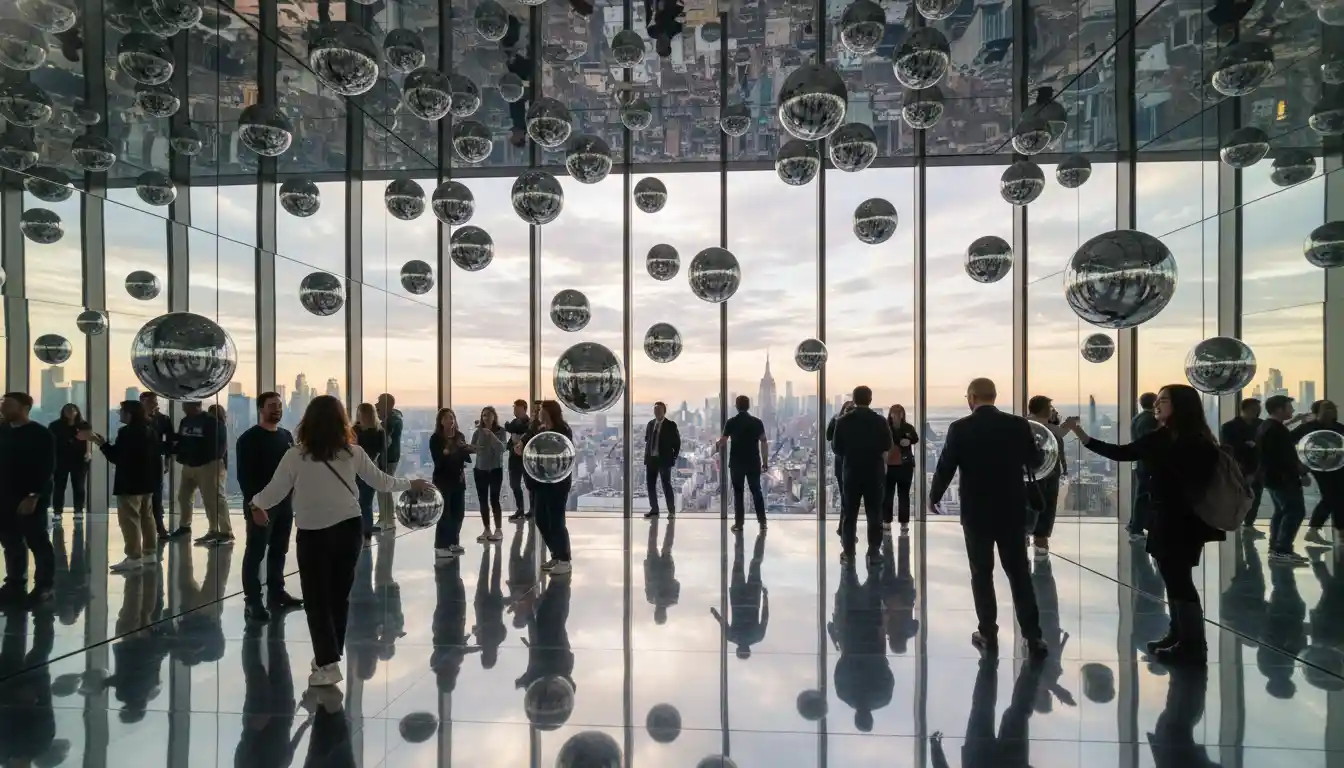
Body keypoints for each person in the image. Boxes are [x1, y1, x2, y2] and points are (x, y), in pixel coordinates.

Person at [248, 395, 432, 688]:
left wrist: (255, 505)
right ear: (341, 422)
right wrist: (412, 483)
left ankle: (328, 662)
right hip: (349, 531)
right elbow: (382, 481)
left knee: (316, 601)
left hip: (312, 534)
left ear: (308, 421)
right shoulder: (352, 453)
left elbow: (274, 492)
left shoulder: (296, 455)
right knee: (338, 598)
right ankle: (329, 657)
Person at [1064, 384, 1225, 664]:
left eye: (1164, 400)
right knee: (1174, 579)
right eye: (1158, 400)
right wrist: (1082, 436)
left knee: (1178, 581)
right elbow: (1123, 453)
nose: (1157, 405)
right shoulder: (1182, 437)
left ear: (1181, 406)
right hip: (1172, 518)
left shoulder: (1178, 440)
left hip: (1178, 520)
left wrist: (1082, 436)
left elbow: (1124, 454)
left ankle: (1191, 644)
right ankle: (1180, 636)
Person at [928, 378, 1047, 657]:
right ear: (994, 396)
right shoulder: (1018, 425)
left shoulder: (960, 428)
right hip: (1012, 510)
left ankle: (988, 633)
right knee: (1019, 574)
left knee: (982, 574)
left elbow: (946, 465)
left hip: (976, 512)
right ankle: (1033, 638)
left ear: (971, 397)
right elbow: (1035, 461)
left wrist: (934, 496)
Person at [236, 391, 303, 624]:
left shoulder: (285, 436)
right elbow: (245, 478)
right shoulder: (248, 439)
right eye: (272, 405)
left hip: (284, 505)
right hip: (260, 506)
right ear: (261, 409)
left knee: (279, 550)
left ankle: (277, 593)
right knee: (255, 553)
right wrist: (255, 507)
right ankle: (253, 601)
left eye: (279, 405)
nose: (277, 409)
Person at [81, 401, 159, 574]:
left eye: (121, 412)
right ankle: (150, 553)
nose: (119, 415)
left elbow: (117, 457)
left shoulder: (126, 433)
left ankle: (133, 557)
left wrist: (99, 442)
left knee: (130, 520)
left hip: (130, 482)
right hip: (147, 482)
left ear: (129, 414)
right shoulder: (150, 431)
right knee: (147, 518)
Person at [0, 392, 56, 606]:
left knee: (37, 541)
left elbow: (47, 468)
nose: (3, 408)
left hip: (31, 498)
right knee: (10, 541)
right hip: (5, 497)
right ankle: (15, 582)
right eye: (2, 403)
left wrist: (34, 495)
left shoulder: (40, 434)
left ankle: (45, 586)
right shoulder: (3, 431)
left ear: (24, 407)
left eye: (8, 404)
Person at [833, 386, 894, 564]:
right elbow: (887, 445)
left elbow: (836, 448)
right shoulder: (880, 421)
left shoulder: (843, 421)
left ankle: (848, 552)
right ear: (870, 399)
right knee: (874, 514)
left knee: (849, 515)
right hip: (874, 473)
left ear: (854, 398)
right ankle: (874, 553)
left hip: (851, 472)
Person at [829, 561, 893, 733]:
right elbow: (839, 669)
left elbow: (887, 673)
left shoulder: (883, 697)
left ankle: (872, 557)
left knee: (873, 590)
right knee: (849, 586)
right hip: (851, 638)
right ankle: (849, 559)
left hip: (873, 640)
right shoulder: (844, 694)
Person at [519, 400, 574, 575]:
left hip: (558, 482)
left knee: (556, 520)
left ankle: (564, 559)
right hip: (541, 481)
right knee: (542, 518)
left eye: (542, 409)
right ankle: (556, 554)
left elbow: (557, 450)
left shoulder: (562, 430)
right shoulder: (540, 429)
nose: (539, 411)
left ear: (550, 412)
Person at [1258, 394, 1311, 565]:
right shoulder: (1276, 429)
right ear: (1279, 409)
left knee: (1282, 512)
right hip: (1283, 478)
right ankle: (1282, 550)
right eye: (1289, 407)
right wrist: (1300, 472)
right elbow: (1283, 457)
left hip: (1273, 478)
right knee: (1295, 511)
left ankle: (1277, 549)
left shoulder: (1267, 426)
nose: (1292, 410)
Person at [176, 401, 232, 546]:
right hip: (189, 465)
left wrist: (210, 461)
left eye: (186, 405)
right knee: (184, 496)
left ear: (196, 405)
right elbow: (181, 441)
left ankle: (225, 532)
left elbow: (220, 446)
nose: (183, 408)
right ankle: (185, 527)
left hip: (209, 465)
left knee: (213, 499)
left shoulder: (212, 422)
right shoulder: (185, 421)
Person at [711, 528, 769, 658]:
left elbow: (765, 617)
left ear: (749, 650)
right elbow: (722, 621)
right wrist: (713, 612)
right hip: (737, 598)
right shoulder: (731, 637)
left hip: (753, 598)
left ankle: (762, 536)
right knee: (738, 563)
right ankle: (739, 535)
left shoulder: (757, 637)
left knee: (756, 564)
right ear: (737, 651)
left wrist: (765, 596)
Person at [1293, 399, 1344, 545]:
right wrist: (1300, 464)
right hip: (1320, 467)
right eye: (1326, 409)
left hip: (1339, 466)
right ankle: (1313, 530)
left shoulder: (1339, 427)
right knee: (1330, 496)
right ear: (1317, 413)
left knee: (1340, 497)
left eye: (1332, 408)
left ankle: (1340, 531)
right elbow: (1289, 441)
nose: (1331, 411)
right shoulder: (1308, 428)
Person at [717, 395, 768, 532]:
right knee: (756, 491)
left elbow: (723, 440)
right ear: (749, 406)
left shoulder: (731, 422)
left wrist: (717, 445)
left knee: (738, 493)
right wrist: (765, 461)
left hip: (736, 463)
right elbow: (764, 441)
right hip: (753, 462)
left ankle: (739, 523)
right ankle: (762, 522)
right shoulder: (757, 422)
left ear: (736, 406)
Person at [430, 408, 475, 562]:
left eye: (452, 417)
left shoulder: (459, 436)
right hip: (443, 480)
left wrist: (467, 449)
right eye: (448, 418)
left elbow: (463, 455)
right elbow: (439, 459)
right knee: (445, 513)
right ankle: (441, 545)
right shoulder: (435, 439)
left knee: (458, 512)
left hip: (458, 479)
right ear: (441, 421)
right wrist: (448, 450)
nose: (451, 420)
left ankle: (453, 542)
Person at [1027, 395, 1067, 555]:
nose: (1052, 411)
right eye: (1050, 408)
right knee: (1045, 510)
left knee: (1030, 509)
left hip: (1035, 476)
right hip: (1044, 475)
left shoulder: (1025, 424)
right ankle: (1041, 546)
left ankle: (1029, 545)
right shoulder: (1039, 428)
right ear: (1043, 409)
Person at [1221, 397, 1264, 533]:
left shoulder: (1261, 425)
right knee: (1238, 497)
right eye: (1254, 409)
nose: (1257, 412)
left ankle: (1249, 525)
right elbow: (1227, 448)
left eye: (1258, 410)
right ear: (1244, 410)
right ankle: (1235, 523)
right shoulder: (1229, 427)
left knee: (1255, 496)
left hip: (1257, 466)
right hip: (1237, 466)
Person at [140, 392, 175, 539]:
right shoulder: (137, 419)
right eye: (149, 402)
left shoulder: (163, 419)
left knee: (157, 494)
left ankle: (159, 526)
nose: (153, 404)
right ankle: (144, 528)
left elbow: (169, 441)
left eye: (154, 401)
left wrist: (167, 459)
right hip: (139, 460)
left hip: (156, 460)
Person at [471, 406, 508, 541]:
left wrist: (491, 435)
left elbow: (502, 448)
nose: (486, 417)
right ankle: (486, 529)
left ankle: (498, 530)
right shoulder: (477, 432)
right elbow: (473, 448)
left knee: (494, 499)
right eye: (484, 415)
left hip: (495, 470)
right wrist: (472, 448)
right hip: (480, 469)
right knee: (482, 501)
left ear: (494, 417)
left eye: (488, 415)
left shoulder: (500, 431)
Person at [48, 404, 90, 520]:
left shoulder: (83, 425)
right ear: (63, 412)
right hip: (61, 460)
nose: (70, 412)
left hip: (79, 460)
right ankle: (57, 512)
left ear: (77, 411)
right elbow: (50, 442)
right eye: (67, 410)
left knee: (79, 486)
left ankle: (78, 511)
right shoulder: (55, 426)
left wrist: (88, 453)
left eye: (73, 410)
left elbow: (88, 441)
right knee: (59, 486)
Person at [883, 404, 919, 535]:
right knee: (888, 495)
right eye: (894, 412)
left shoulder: (908, 428)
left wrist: (908, 441)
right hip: (889, 465)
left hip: (905, 465)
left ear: (903, 414)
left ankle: (904, 523)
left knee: (903, 495)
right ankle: (886, 521)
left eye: (900, 413)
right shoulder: (886, 428)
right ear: (890, 414)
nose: (897, 415)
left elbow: (915, 438)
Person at [642, 401, 681, 519]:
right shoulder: (650, 424)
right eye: (655, 409)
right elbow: (647, 440)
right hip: (651, 460)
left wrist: (673, 456)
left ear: (664, 411)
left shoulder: (671, 425)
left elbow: (677, 443)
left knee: (666, 485)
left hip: (664, 460)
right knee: (650, 485)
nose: (657, 411)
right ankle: (654, 510)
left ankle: (671, 511)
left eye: (659, 409)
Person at [1129, 391, 1160, 539]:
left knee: (1141, 495)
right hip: (1149, 464)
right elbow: (1152, 442)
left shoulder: (1138, 418)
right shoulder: (1149, 420)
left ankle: (1135, 525)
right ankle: (1137, 528)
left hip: (1141, 463)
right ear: (1154, 402)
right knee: (1144, 496)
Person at [352, 403, 384, 539]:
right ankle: (365, 532)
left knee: (363, 502)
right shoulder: (378, 431)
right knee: (364, 502)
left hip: (363, 469)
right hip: (364, 469)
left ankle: (364, 532)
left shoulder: (357, 430)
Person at [376, 393, 405, 527]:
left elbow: (384, 437)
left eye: (379, 402)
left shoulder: (392, 421)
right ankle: (387, 518)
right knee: (384, 487)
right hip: (390, 457)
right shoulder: (394, 418)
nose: (377, 405)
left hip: (388, 458)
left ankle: (386, 519)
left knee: (383, 488)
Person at [644, 514, 679, 624]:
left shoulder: (672, 600)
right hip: (655, 568)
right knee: (653, 543)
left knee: (666, 545)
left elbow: (676, 584)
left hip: (665, 570)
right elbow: (647, 581)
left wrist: (668, 581)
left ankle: (670, 522)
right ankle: (655, 522)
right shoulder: (650, 598)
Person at [827, 400, 855, 533]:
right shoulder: (839, 422)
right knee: (846, 497)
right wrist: (835, 421)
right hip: (845, 464)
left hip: (845, 464)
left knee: (847, 497)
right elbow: (828, 436)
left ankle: (842, 527)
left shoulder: (850, 424)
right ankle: (844, 528)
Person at [504, 399, 532, 522]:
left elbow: (531, 440)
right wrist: (513, 446)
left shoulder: (531, 424)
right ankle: (520, 509)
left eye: (517, 409)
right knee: (514, 484)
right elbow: (509, 443)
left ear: (524, 409)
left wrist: (519, 442)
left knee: (529, 485)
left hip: (526, 459)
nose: (515, 411)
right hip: (514, 459)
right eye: (514, 408)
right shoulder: (514, 422)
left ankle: (532, 510)